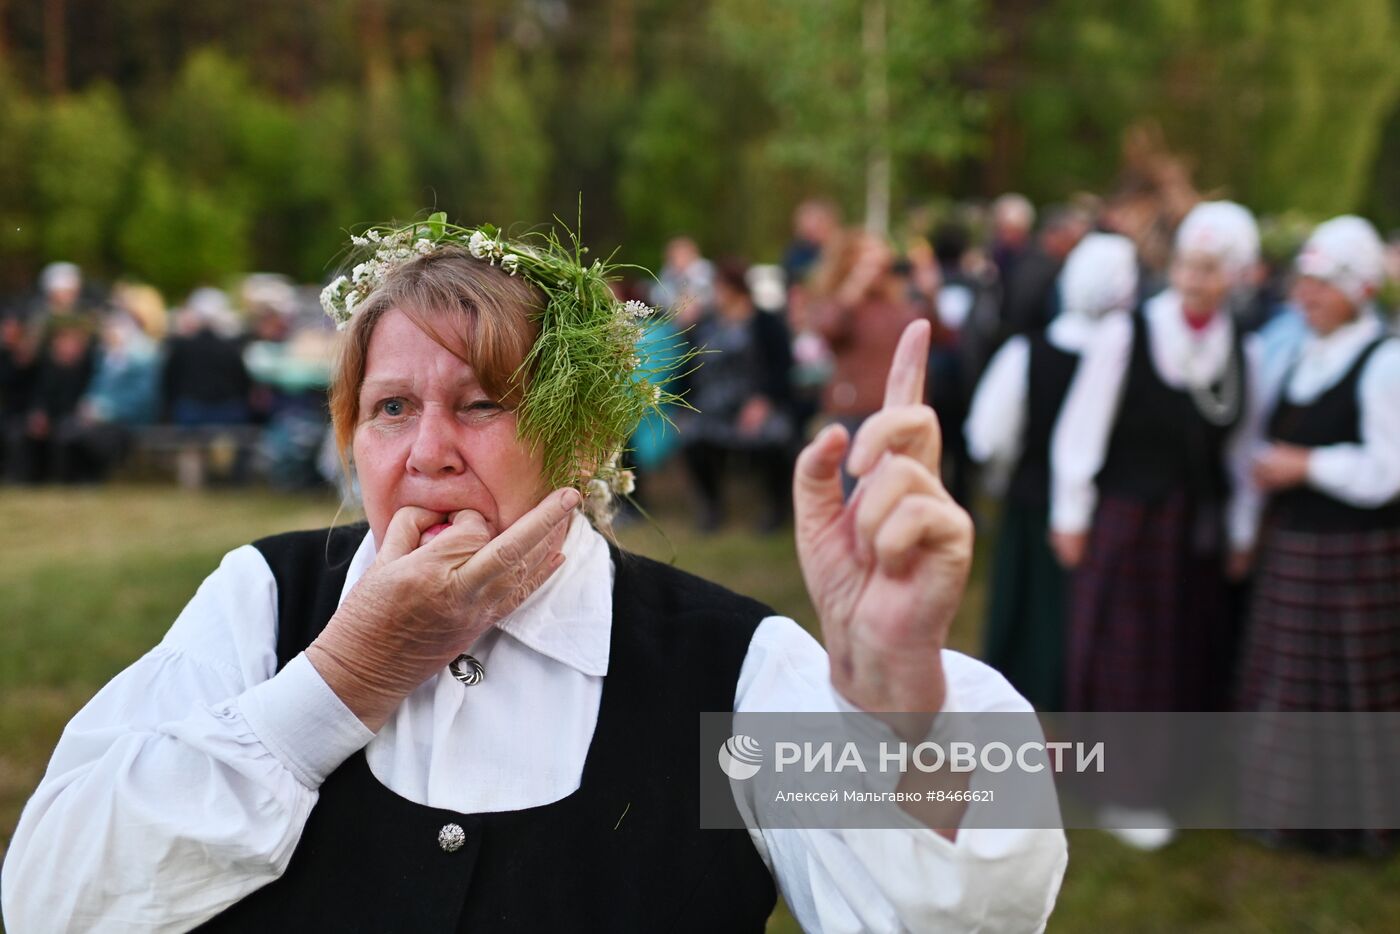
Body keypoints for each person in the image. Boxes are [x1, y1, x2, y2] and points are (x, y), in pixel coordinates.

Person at [2, 215, 1066, 932]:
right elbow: (52, 899)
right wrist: (342, 681)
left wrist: (898, 700)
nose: (425, 451)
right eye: (388, 409)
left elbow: (952, 912)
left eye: (479, 404)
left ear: (580, 439)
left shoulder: (724, 667)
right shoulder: (262, 603)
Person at [1049, 202, 1265, 848]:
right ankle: (1122, 786)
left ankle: (1171, 776)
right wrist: (1071, 512)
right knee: (1128, 654)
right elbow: (1080, 428)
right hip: (1129, 518)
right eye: (1186, 266)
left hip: (1194, 529)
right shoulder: (1129, 333)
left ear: (1234, 276)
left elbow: (1242, 451)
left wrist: (1242, 531)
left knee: (1182, 653)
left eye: (1209, 268)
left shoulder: (1242, 351)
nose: (1194, 279)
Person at [1236, 216, 1400, 856]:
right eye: (1302, 281)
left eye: (1321, 284)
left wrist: (1306, 466)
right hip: (1297, 545)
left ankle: (1357, 823)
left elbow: (1391, 470)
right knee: (1292, 688)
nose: (1305, 295)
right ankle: (1292, 812)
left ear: (1358, 290)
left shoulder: (1385, 361)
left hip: (1355, 554)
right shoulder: (1303, 352)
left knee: (1352, 696)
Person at [966, 233, 1138, 712]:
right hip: (1104, 510)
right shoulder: (1132, 358)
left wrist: (1004, 477)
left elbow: (988, 435)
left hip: (1033, 498)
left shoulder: (1030, 352)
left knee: (1032, 614)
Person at [810, 228, 936, 496]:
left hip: (900, 410)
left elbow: (934, 334)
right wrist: (857, 284)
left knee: (900, 493)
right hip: (855, 410)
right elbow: (828, 328)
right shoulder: (839, 302)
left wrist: (929, 293)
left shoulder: (898, 300)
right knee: (855, 489)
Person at [677, 259, 796, 533]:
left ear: (733, 289)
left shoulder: (766, 322)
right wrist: (685, 404)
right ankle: (712, 507)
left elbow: (782, 367)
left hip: (754, 403)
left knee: (776, 436)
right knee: (691, 436)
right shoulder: (706, 323)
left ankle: (777, 508)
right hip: (710, 406)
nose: (714, 294)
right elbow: (688, 366)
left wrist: (763, 401)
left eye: (718, 287)